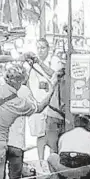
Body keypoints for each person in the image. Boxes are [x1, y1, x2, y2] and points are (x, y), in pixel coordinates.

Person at [27, 38, 63, 167]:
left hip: (52, 106)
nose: (41, 51)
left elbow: (55, 74)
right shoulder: (32, 65)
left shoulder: (54, 61)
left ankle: (53, 162)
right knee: (40, 135)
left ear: (48, 48)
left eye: (43, 48)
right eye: (39, 48)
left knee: (52, 138)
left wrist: (40, 63)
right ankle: (41, 161)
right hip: (38, 102)